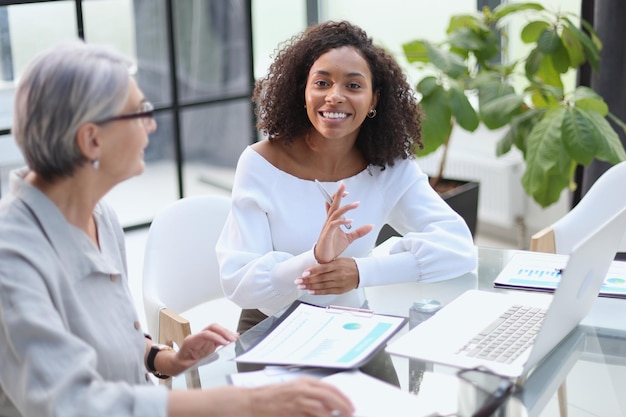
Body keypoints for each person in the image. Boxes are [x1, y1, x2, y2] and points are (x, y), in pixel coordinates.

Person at [0, 40, 354, 417]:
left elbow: (104, 332)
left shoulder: (98, 215)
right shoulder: (12, 259)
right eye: (139, 113)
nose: (151, 124)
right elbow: (72, 404)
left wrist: (162, 358)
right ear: (92, 140)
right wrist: (244, 402)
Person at [216, 20, 477, 339]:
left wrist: (361, 271)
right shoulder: (261, 164)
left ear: (374, 99)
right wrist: (314, 259)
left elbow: (459, 248)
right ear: (304, 90)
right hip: (271, 327)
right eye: (322, 83)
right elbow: (240, 282)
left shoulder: (387, 167)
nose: (335, 96)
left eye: (353, 86)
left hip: (351, 324)